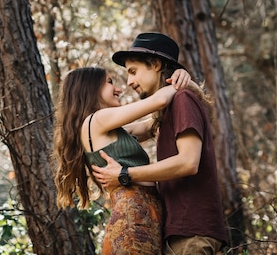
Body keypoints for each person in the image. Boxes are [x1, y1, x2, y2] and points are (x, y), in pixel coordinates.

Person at [91, 32, 228, 254]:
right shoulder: (164, 112)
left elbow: (188, 162)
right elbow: (127, 132)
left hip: (192, 232)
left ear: (155, 64)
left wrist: (125, 173)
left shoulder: (183, 99)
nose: (129, 82)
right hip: (179, 231)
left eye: (133, 72)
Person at [52, 65, 191, 254]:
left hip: (141, 215)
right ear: (90, 88)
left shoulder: (108, 129)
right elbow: (159, 101)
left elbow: (153, 125)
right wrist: (180, 80)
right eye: (110, 82)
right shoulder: (97, 119)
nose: (119, 88)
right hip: (133, 218)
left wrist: (182, 80)